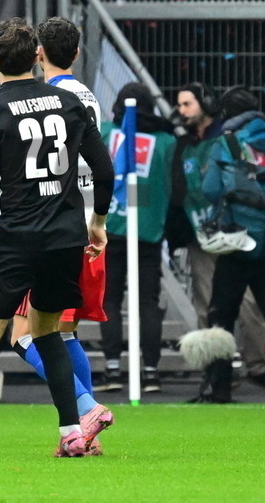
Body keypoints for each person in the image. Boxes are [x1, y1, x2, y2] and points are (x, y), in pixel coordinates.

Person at [0, 18, 114, 458]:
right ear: (35, 56)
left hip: (16, 235)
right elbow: (104, 169)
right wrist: (97, 222)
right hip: (64, 237)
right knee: (49, 334)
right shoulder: (68, 102)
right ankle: (72, 432)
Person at [7, 17, 112, 455]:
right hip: (90, 226)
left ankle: (85, 410)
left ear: (37, 54)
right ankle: (82, 435)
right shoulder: (87, 96)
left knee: (24, 335)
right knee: (65, 335)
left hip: (56, 226)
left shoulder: (49, 99)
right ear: (78, 52)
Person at [170, 83, 265, 389]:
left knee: (247, 303)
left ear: (205, 104)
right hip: (200, 235)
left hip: (232, 232)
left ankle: (256, 365)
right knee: (206, 304)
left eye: (187, 104)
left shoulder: (226, 140)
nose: (182, 111)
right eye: (180, 104)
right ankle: (216, 371)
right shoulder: (186, 145)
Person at [194, 86, 265, 403]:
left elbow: (211, 189)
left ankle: (219, 387)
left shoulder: (227, 142)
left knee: (220, 314)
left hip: (237, 241)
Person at [98, 83, 175, 393]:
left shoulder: (106, 133)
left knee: (111, 301)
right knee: (147, 302)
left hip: (110, 227)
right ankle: (151, 371)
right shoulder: (167, 142)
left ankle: (113, 369)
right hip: (148, 230)